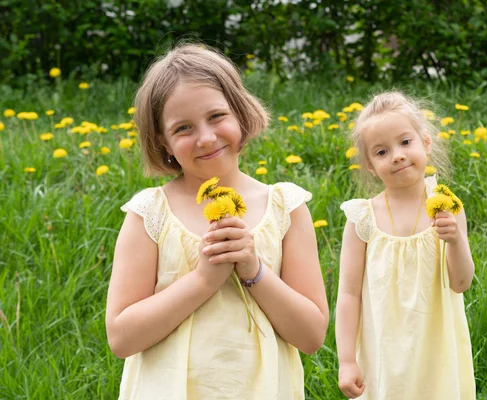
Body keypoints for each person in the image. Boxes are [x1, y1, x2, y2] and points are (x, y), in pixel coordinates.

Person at [105, 44, 329, 399]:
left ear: (240, 113)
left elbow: (311, 335)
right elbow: (121, 338)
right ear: (162, 141)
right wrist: (203, 279)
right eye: (183, 128)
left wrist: (253, 269)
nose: (206, 138)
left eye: (216, 116)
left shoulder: (286, 208)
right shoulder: (149, 213)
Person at [335, 91, 476, 399]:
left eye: (405, 142)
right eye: (381, 152)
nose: (397, 155)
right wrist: (346, 360)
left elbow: (461, 282)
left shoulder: (446, 207)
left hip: (436, 349)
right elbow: (348, 293)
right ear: (370, 166)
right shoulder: (363, 218)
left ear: (426, 143)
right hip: (382, 349)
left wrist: (455, 241)